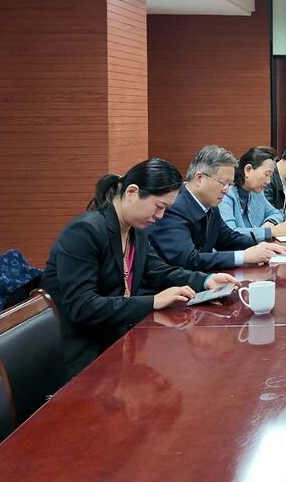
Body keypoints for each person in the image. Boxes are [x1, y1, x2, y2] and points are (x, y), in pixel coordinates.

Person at [41, 158, 240, 377]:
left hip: (118, 339)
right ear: (132, 192)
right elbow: (83, 306)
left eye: (166, 209)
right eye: (159, 207)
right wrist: (153, 301)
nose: (160, 216)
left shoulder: (135, 230)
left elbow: (159, 271)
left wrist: (205, 280)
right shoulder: (85, 232)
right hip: (83, 352)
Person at [147, 145, 286, 271]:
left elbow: (227, 238)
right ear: (199, 178)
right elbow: (188, 259)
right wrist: (243, 256)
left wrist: (261, 246)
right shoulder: (174, 207)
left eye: (230, 184)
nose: (226, 190)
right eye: (223, 183)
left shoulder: (210, 205)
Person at [220, 146, 286, 242]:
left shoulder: (256, 192)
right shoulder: (226, 194)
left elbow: (276, 213)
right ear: (248, 170)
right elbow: (230, 233)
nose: (268, 181)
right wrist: (270, 232)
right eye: (266, 174)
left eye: (271, 176)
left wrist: (270, 222)